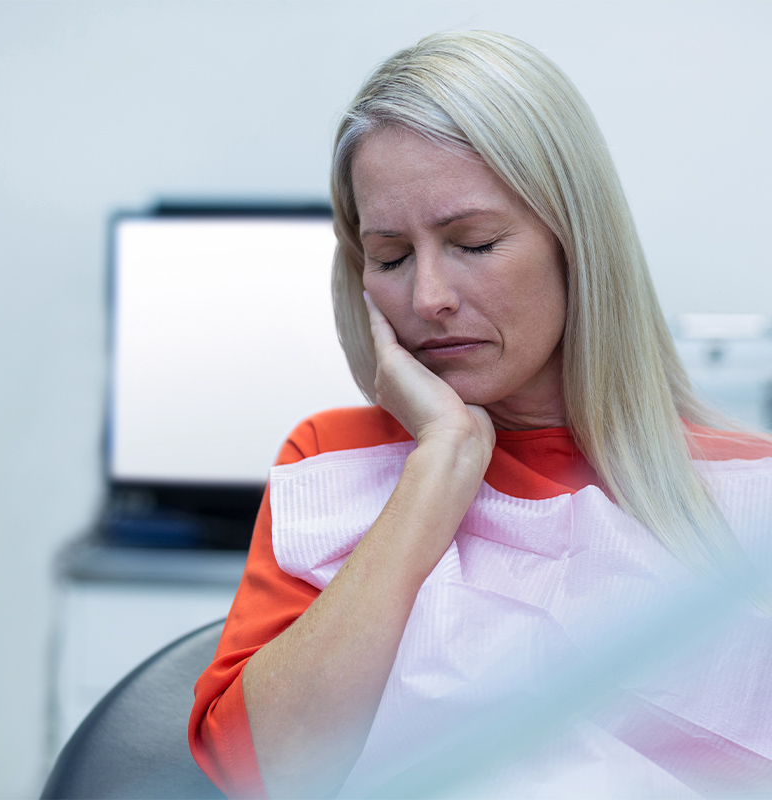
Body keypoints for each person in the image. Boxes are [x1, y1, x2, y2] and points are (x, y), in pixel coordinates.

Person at [189, 31, 772, 799]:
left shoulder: (749, 492)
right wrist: (440, 464)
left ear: (577, 241)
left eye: (474, 242)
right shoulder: (332, 463)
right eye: (391, 258)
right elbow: (263, 775)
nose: (428, 296)